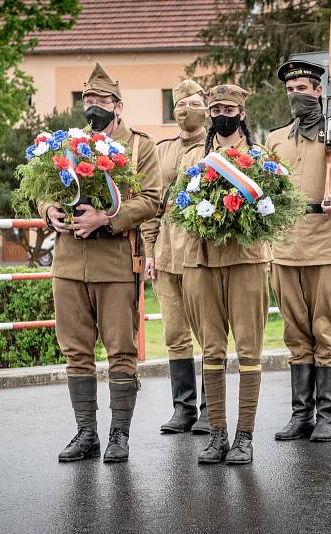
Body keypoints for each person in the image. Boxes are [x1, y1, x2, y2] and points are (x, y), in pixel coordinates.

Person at [39, 63, 161, 462]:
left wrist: (107, 219)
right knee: (76, 351)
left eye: (101, 101)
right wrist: (48, 210)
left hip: (114, 264)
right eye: (87, 100)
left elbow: (152, 199)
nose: (93, 108)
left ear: (118, 106)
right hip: (70, 263)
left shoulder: (140, 146)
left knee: (120, 350)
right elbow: (41, 189)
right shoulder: (67, 148)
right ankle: (86, 433)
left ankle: (119, 435)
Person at [265, 60, 331, 442]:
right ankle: (300, 414)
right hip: (285, 247)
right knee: (295, 334)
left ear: (319, 92)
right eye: (290, 89)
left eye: (303, 89)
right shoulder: (275, 139)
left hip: (324, 245)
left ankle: (326, 415)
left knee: (325, 332)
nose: (295, 95)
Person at [180, 84, 271, 465]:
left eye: (228, 107)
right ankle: (217, 434)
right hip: (202, 261)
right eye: (214, 107)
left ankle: (244, 436)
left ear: (241, 113)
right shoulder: (196, 158)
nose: (220, 113)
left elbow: (271, 211)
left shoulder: (259, 158)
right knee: (212, 350)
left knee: (248, 349)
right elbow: (179, 209)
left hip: (246, 260)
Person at [142, 80, 211, 435]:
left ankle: (209, 409)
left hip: (200, 254)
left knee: (208, 333)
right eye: (181, 102)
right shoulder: (162, 149)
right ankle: (183, 408)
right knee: (174, 332)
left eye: (195, 101)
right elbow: (152, 205)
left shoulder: (215, 147)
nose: (187, 107)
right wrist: (149, 250)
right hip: (166, 256)